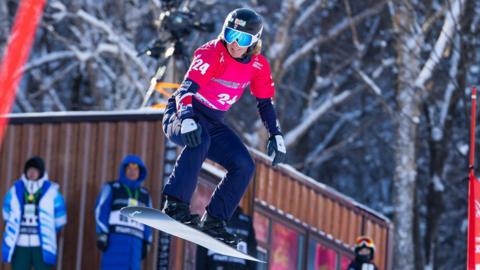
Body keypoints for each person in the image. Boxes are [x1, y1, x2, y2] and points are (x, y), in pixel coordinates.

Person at [162, 7, 286, 247]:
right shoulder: (212, 53)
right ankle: (175, 203)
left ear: (254, 41)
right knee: (200, 139)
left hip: (212, 122)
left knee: (244, 164)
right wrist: (186, 118)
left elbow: (265, 103)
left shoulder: (258, 66)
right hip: (180, 113)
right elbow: (185, 91)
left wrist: (275, 134)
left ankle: (215, 221)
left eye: (242, 39)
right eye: (231, 35)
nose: (235, 44)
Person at [2, 156, 67, 270]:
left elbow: (60, 218)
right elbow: (6, 213)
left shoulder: (52, 192)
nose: (31, 173)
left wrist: (49, 230)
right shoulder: (14, 190)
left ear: (41, 172)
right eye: (29, 170)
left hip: (42, 245)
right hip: (20, 242)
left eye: (35, 170)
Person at [94, 155, 152, 270]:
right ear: (124, 170)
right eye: (129, 169)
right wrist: (102, 233)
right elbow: (100, 210)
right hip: (114, 242)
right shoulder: (112, 188)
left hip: (135, 246)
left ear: (140, 172)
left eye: (136, 169)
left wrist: (147, 241)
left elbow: (150, 221)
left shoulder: (145, 195)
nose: (132, 172)